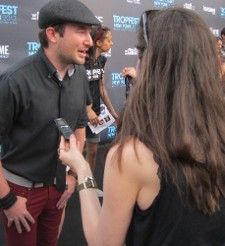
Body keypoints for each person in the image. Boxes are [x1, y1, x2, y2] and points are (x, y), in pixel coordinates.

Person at [58, 8, 225, 246]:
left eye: (139, 51)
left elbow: (103, 242)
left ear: (150, 62)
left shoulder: (131, 156)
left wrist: (83, 170)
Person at [0, 0, 100, 245]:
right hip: (20, 193)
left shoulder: (79, 76)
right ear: (53, 34)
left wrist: (72, 177)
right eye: (81, 31)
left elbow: (78, 126)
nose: (90, 40)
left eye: (90, 32)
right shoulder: (15, 81)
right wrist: (8, 200)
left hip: (59, 188)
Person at [85, 26, 118, 172]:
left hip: (95, 116)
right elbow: (74, 88)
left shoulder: (102, 60)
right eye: (109, 40)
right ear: (98, 42)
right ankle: (73, 187)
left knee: (92, 152)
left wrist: (113, 113)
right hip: (79, 115)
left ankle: (88, 186)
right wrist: (87, 110)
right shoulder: (82, 60)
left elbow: (102, 89)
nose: (112, 43)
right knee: (76, 155)